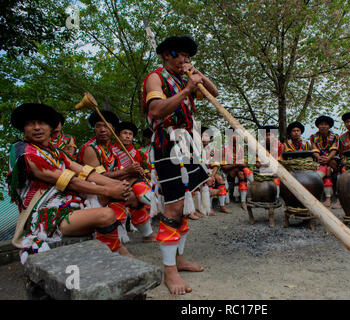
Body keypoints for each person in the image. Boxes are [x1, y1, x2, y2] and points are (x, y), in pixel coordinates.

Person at [7, 103, 132, 263]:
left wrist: (115, 185)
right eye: (31, 123)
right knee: (106, 214)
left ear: (51, 127)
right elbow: (68, 181)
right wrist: (108, 190)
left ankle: (114, 249)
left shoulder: (56, 152)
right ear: (24, 127)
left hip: (71, 204)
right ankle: (116, 251)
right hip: (46, 215)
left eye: (42, 123)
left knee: (123, 195)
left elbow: (85, 172)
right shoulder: (23, 151)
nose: (37, 127)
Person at [143, 35, 218, 295]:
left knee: (187, 203)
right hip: (168, 145)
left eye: (188, 56)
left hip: (188, 145)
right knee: (174, 207)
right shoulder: (156, 78)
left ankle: (179, 258)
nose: (184, 60)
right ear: (166, 55)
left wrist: (196, 74)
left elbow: (214, 93)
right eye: (179, 55)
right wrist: (187, 90)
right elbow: (155, 111)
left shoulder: (182, 77)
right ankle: (169, 270)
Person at [79, 111, 155, 245]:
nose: (103, 129)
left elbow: (117, 173)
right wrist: (127, 171)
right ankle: (116, 237)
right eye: (98, 126)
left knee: (133, 192)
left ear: (113, 129)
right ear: (94, 129)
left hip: (110, 185)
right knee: (129, 195)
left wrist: (134, 173)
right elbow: (97, 178)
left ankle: (147, 234)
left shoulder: (111, 150)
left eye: (106, 126)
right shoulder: (90, 148)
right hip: (93, 191)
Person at [221, 128, 253, 211]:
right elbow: (223, 167)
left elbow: (242, 162)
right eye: (233, 135)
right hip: (228, 173)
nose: (236, 137)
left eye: (237, 135)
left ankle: (243, 202)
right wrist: (236, 164)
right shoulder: (224, 149)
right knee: (241, 169)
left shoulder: (241, 149)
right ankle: (252, 179)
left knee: (241, 174)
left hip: (239, 172)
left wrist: (240, 164)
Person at [201, 127, 232, 215]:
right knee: (209, 180)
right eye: (203, 135)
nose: (204, 138)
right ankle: (209, 207)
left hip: (210, 171)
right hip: (200, 172)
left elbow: (215, 164)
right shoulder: (196, 149)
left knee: (219, 178)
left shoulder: (212, 150)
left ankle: (222, 206)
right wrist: (208, 176)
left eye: (207, 136)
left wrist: (212, 175)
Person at [310, 116, 339, 207]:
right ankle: (326, 199)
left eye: (326, 124)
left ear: (329, 126)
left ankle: (328, 199)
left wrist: (328, 158)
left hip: (331, 161)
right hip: (319, 161)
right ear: (318, 126)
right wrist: (319, 158)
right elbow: (314, 149)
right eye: (321, 124)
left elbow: (334, 149)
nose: (323, 126)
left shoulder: (334, 136)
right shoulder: (313, 137)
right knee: (321, 175)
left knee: (328, 169)